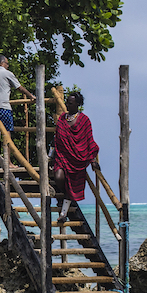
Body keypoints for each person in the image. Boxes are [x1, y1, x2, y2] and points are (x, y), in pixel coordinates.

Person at [50, 91, 100, 224]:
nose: (67, 105)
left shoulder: (84, 120)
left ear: (78, 104)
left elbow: (89, 141)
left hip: (78, 160)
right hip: (62, 157)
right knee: (59, 177)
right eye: (67, 102)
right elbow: (57, 139)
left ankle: (63, 214)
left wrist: (92, 160)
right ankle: (65, 199)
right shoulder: (62, 119)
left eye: (70, 103)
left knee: (71, 184)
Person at [0, 55, 35, 152]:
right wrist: (31, 96)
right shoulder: (7, 73)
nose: (7, 66)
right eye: (7, 64)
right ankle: (8, 162)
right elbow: (19, 88)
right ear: (2, 63)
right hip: (3, 108)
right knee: (6, 135)